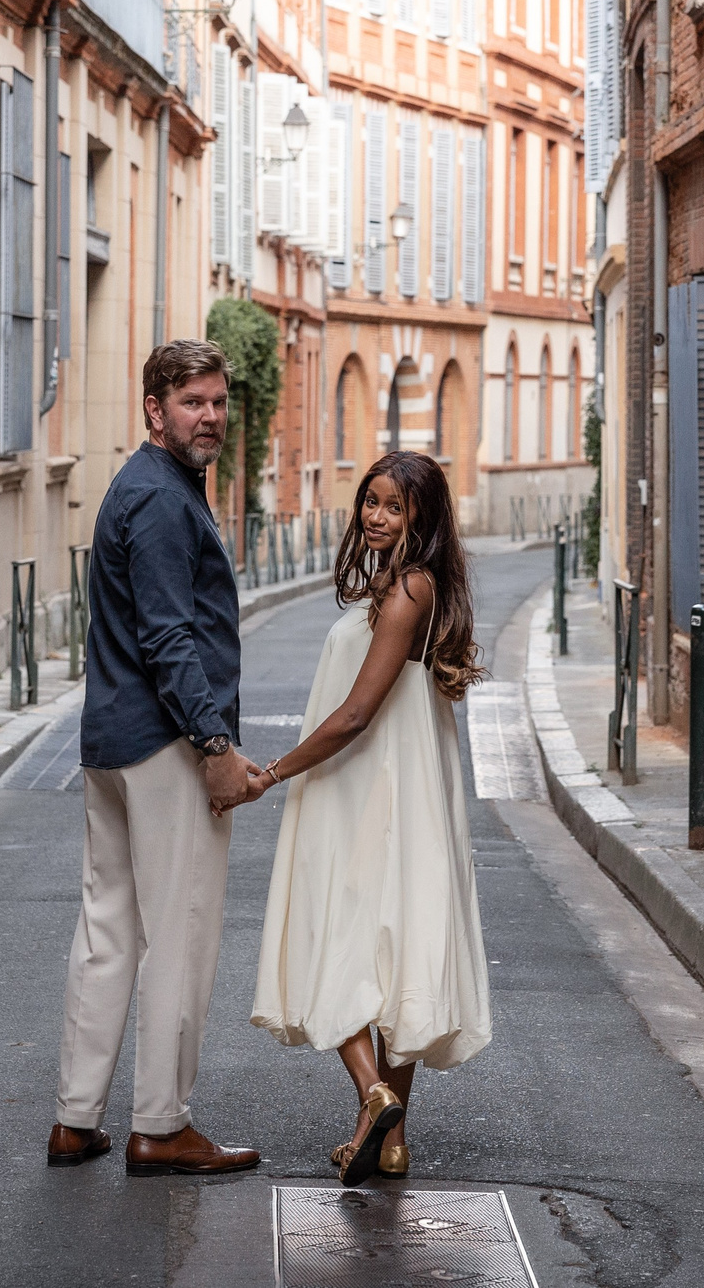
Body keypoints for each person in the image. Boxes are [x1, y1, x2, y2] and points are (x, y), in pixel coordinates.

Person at [48, 340, 266, 1178]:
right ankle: (161, 1124)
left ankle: (76, 1117)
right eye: (191, 403)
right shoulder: (165, 501)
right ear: (154, 409)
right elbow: (170, 637)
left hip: (112, 740)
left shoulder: (143, 488)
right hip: (166, 743)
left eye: (216, 401)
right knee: (180, 929)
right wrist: (214, 746)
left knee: (107, 930)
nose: (209, 415)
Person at [247, 450, 492, 1187]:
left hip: (370, 786)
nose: (377, 515)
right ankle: (387, 1139)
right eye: (372, 501)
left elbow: (355, 713)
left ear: (423, 518)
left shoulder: (408, 590)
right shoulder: (410, 584)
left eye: (394, 506)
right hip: (396, 783)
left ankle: (372, 1090)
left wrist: (276, 769)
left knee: (340, 936)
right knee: (397, 946)